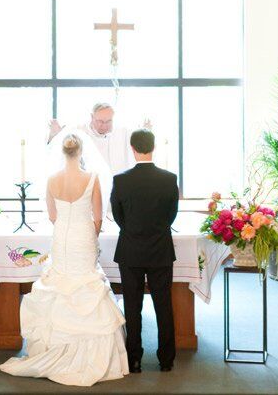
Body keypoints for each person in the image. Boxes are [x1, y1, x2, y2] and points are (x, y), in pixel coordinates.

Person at [0, 133, 129, 387]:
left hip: (62, 236)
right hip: (84, 235)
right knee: (86, 282)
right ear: (81, 152)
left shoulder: (52, 179)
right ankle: (90, 354)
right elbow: (99, 216)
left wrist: (66, 228)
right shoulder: (92, 178)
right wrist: (91, 234)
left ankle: (54, 349)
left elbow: (52, 215)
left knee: (60, 283)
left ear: (63, 152)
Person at [110, 128, 179, 374]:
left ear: (132, 148)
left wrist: (132, 231)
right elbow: (172, 215)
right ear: (154, 147)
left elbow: (118, 215)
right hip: (160, 249)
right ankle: (166, 359)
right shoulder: (169, 179)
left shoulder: (121, 180)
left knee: (132, 304)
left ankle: (134, 360)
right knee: (163, 304)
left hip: (131, 250)